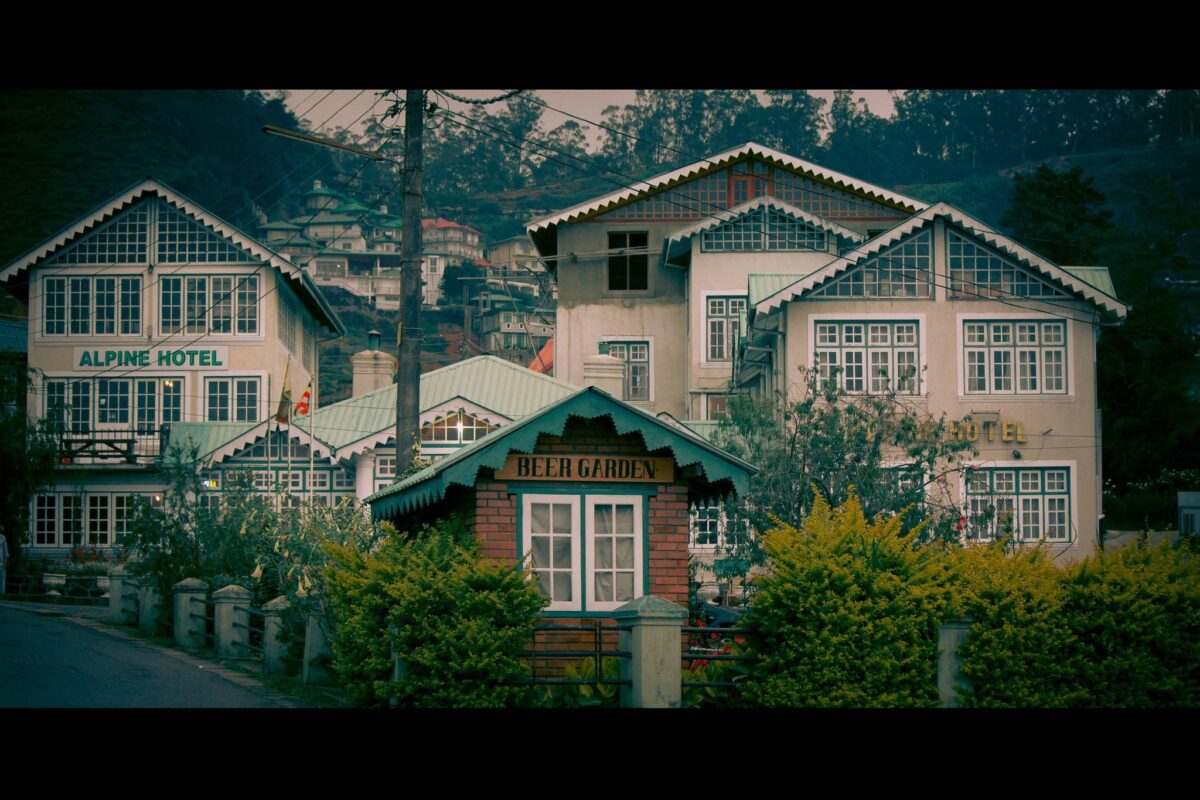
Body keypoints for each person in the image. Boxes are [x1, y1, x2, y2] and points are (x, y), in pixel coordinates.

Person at [0, 527, 8, 597]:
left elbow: (6, 553)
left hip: (1, 565)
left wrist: (4, 565)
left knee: (1, 588)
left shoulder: (2, 538)